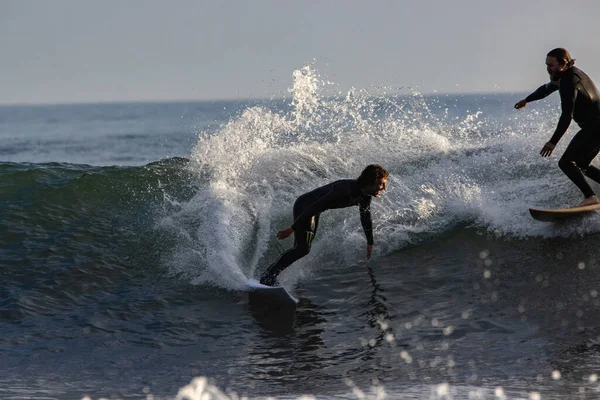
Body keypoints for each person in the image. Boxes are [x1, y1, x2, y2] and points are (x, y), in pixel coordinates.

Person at [259, 164, 389, 286]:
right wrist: (293, 228)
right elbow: (316, 206)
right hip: (306, 206)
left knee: (301, 249)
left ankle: (272, 275)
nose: (384, 188)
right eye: (380, 184)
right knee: (303, 248)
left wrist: (370, 242)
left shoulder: (365, 196)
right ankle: (268, 277)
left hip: (315, 210)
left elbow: (365, 217)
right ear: (369, 182)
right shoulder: (345, 189)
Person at [515, 48, 600, 207]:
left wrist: (552, 142)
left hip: (595, 126)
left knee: (566, 163)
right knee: (582, 163)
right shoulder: (567, 75)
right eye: (547, 64)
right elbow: (546, 89)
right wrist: (527, 99)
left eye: (551, 65)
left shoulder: (569, 82)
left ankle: (590, 197)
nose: (548, 68)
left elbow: (566, 116)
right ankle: (591, 196)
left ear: (563, 64)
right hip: (595, 127)